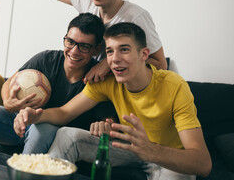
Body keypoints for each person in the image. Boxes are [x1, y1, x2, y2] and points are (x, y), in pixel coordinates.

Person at [13, 22, 212, 179]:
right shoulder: (108, 82)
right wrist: (34, 115)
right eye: (110, 51)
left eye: (124, 49)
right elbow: (65, 113)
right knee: (67, 134)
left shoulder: (174, 85)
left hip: (167, 157)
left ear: (144, 54)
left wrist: (151, 150)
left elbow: (203, 164)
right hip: (127, 150)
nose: (115, 59)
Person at [0, 13, 114, 154]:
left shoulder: (98, 77)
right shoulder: (46, 59)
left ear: (96, 49)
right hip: (19, 124)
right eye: (70, 42)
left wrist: (105, 124)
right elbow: (10, 81)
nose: (73, 51)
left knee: (43, 129)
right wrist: (7, 101)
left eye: (84, 46)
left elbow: (106, 118)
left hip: (50, 135)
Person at [32, 0, 168, 84]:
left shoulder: (136, 17)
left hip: (122, 86)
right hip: (93, 81)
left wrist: (107, 64)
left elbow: (161, 64)